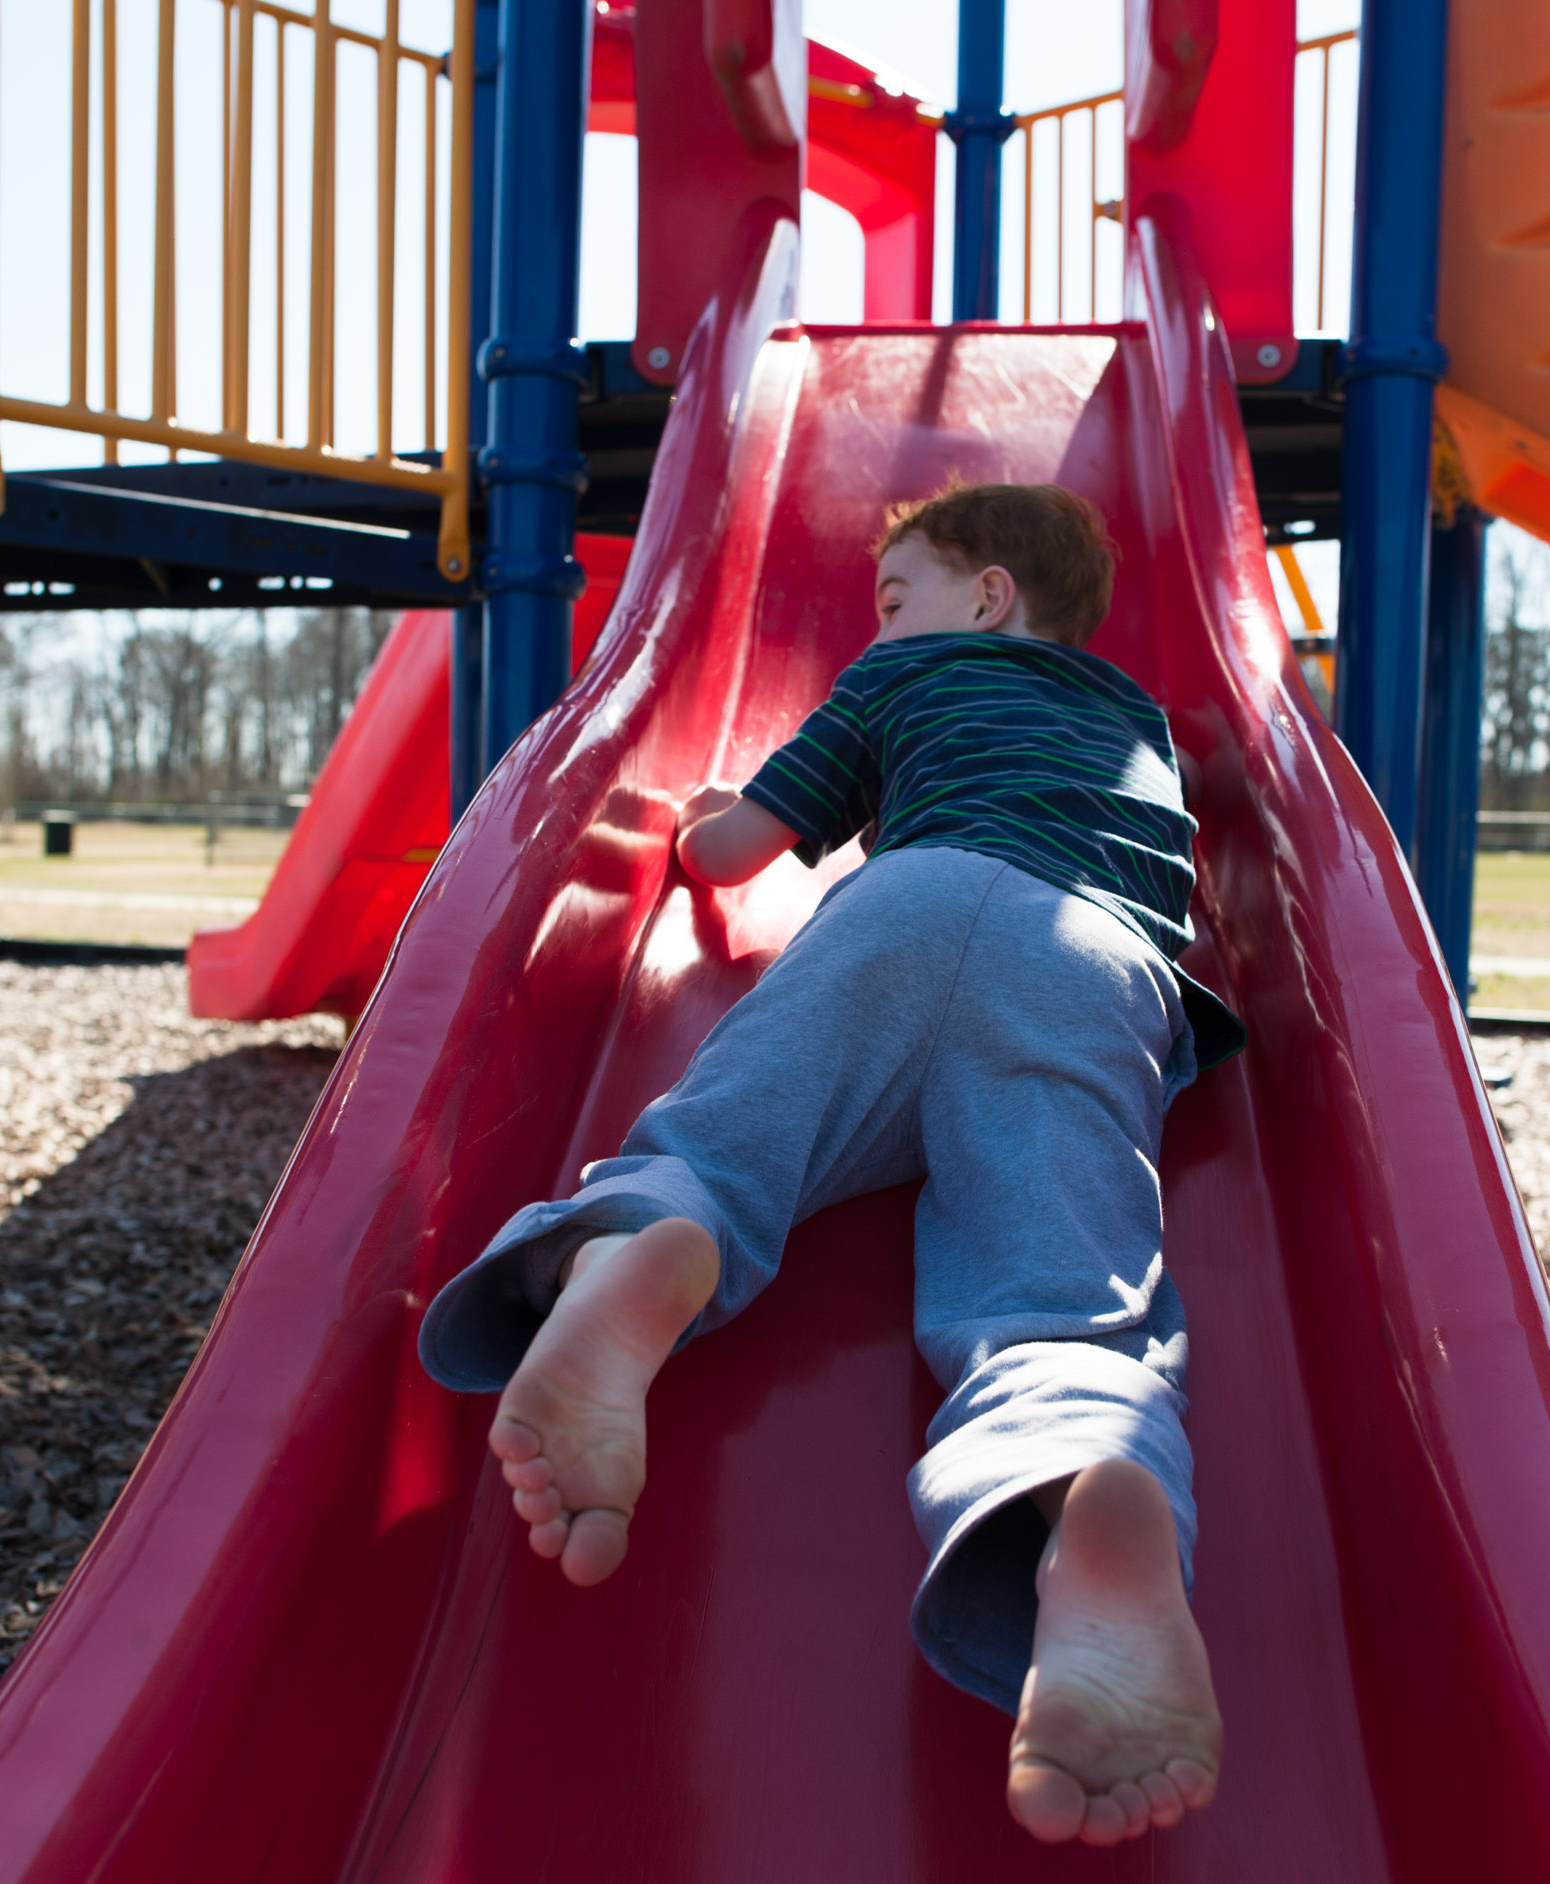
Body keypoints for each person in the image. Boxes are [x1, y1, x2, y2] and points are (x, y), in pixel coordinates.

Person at [415, 481, 1243, 1846]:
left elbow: (740, 850)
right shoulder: (1135, 719)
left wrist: (706, 819)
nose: (884, 616)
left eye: (897, 591)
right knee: (1062, 1276)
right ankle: (1082, 1466)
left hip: (902, 909)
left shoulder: (901, 675)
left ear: (983, 599)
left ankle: (644, 1254)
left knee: (727, 1135)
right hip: (1098, 967)